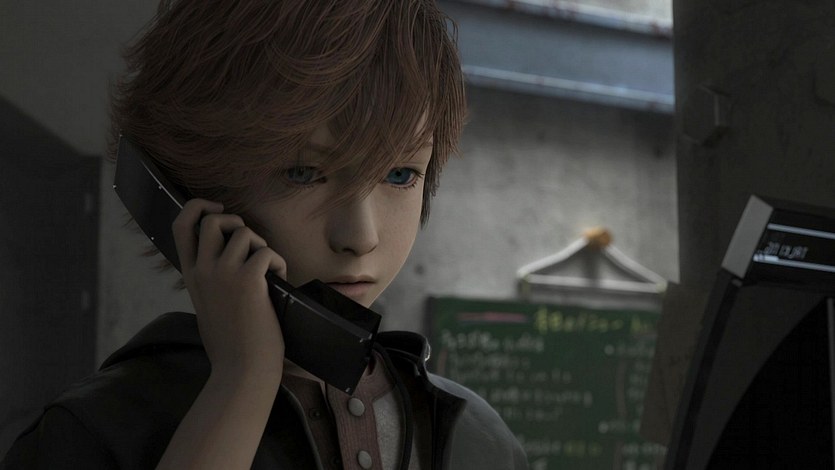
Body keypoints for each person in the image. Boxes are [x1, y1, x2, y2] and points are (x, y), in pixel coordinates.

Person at [2, 1, 527, 469]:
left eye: (399, 174)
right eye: (303, 173)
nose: (360, 237)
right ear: (189, 189)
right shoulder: (95, 431)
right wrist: (243, 379)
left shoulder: (478, 438)